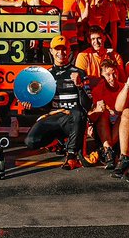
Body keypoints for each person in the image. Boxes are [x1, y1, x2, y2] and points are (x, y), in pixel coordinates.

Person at [22, 36, 92, 170]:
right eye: (57, 49)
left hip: (73, 119)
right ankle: (58, 142)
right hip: (53, 117)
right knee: (30, 142)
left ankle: (71, 156)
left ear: (69, 51)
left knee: (78, 113)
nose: (61, 53)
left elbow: (87, 105)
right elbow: (45, 106)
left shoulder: (80, 73)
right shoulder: (45, 75)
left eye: (64, 49)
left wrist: (80, 86)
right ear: (51, 52)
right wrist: (31, 106)